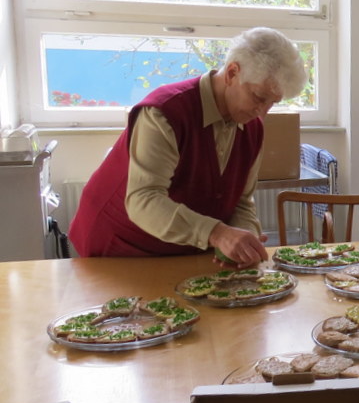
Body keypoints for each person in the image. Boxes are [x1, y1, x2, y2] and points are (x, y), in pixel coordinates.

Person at [69, 27, 308, 268]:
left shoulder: (252, 127)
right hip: (119, 243)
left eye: (272, 103)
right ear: (232, 73)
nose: (262, 112)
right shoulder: (164, 112)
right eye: (258, 97)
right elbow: (144, 199)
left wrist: (245, 236)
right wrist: (218, 234)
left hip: (179, 249)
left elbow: (241, 202)